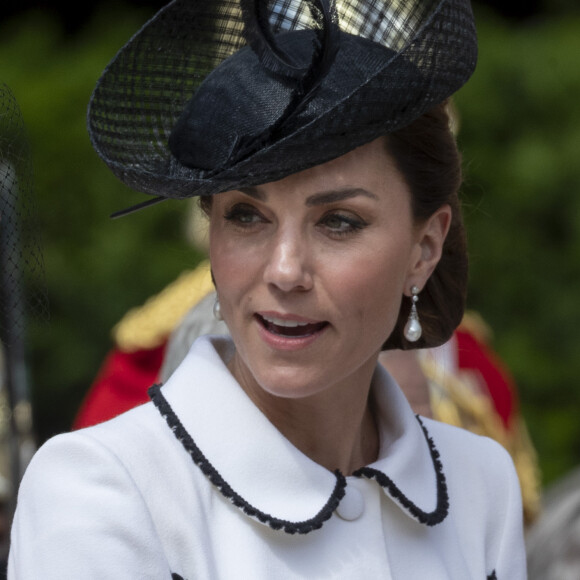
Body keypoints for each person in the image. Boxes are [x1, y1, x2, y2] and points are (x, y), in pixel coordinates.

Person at [8, 0, 527, 578]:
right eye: (246, 216)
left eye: (339, 222)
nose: (284, 271)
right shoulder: (102, 489)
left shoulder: (480, 484)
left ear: (424, 249)